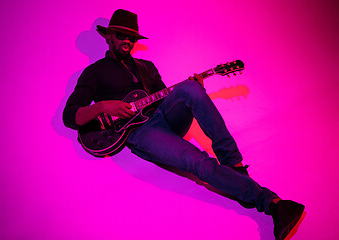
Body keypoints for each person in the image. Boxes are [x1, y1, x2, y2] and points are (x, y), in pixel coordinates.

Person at [63, 9, 305, 240]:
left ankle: (235, 165)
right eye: (121, 35)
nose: (127, 40)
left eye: (132, 37)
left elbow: (164, 97)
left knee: (188, 87)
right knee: (196, 161)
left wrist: (193, 88)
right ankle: (274, 205)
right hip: (140, 133)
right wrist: (103, 107)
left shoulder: (146, 67)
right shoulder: (94, 72)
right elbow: (70, 116)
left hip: (162, 116)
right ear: (108, 37)